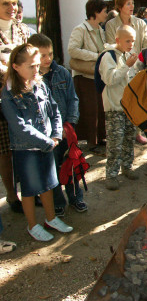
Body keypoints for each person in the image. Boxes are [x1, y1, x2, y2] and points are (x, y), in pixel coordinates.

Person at [2, 44, 73, 242]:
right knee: (30, 189)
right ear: (16, 67)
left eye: (36, 65)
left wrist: (57, 134)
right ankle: (32, 225)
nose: (36, 70)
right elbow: (19, 127)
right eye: (30, 66)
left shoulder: (39, 84)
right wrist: (47, 142)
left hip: (48, 144)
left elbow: (54, 109)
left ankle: (51, 218)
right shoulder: (9, 94)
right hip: (27, 149)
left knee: (49, 183)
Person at [28, 34, 87, 215]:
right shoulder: (31, 78)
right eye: (42, 56)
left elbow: (72, 99)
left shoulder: (62, 72)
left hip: (66, 130)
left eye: (51, 54)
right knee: (51, 169)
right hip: (47, 134)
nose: (48, 59)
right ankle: (58, 202)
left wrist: (70, 123)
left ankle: (75, 197)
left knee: (71, 164)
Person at [105, 0, 147, 145]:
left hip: (137, 65)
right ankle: (123, 133)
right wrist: (125, 62)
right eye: (128, 3)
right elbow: (112, 45)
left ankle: (137, 131)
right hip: (120, 65)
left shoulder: (140, 23)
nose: (132, 6)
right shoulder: (111, 25)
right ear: (120, 7)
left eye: (133, 3)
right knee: (122, 98)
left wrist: (138, 59)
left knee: (138, 99)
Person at [0, 0, 30, 214]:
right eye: (5, 4)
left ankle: (31, 189)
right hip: (1, 98)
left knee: (26, 144)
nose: (12, 8)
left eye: (14, 3)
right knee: (5, 150)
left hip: (23, 95)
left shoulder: (21, 30)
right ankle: (11, 193)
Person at [100, 25, 139, 190]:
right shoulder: (108, 56)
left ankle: (127, 166)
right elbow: (110, 79)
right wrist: (127, 66)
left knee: (129, 138)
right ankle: (111, 175)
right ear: (117, 40)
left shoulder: (129, 55)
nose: (131, 44)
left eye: (133, 41)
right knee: (115, 142)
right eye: (127, 40)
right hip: (115, 107)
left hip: (129, 107)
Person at [68, 0, 108, 155]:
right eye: (104, 11)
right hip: (84, 77)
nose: (106, 14)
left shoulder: (100, 30)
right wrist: (95, 56)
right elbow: (73, 50)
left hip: (97, 75)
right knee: (89, 109)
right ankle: (91, 142)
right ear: (96, 12)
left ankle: (100, 137)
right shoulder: (81, 29)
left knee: (100, 107)